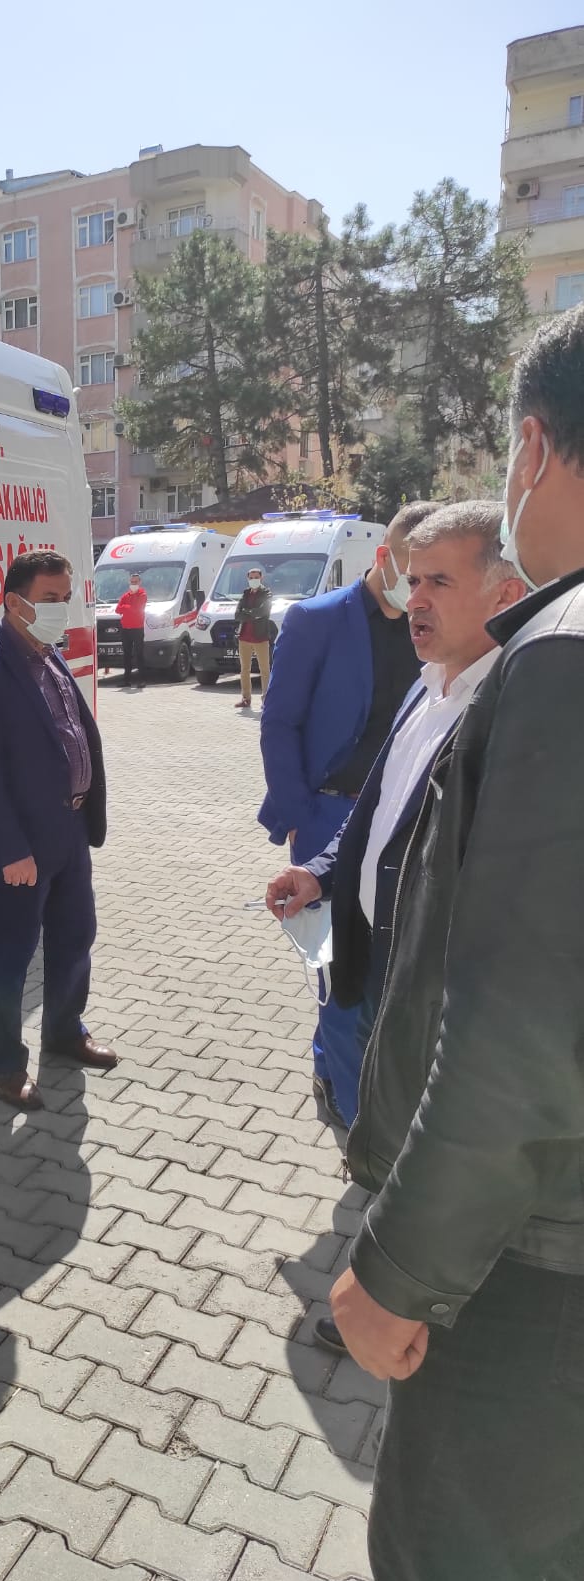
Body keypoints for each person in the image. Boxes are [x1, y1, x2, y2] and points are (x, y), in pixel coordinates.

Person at [329, 305, 584, 1581]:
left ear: (532, 449)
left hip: (527, 1267)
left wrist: (396, 1271)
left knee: (449, 1561)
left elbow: (520, 1035)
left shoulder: (560, 660)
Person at [264, 502, 525, 1353]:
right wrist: (320, 871)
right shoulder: (426, 685)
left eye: (438, 581)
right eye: (412, 580)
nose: (413, 601)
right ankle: (387, 1285)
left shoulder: (511, 708)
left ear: (505, 590)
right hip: (371, 959)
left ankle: (403, 1314)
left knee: (425, 1156)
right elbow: (374, 813)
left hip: (435, 984)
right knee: (381, 1133)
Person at [257, 503, 435, 1126]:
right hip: (329, 816)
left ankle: (346, 1069)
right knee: (339, 969)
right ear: (383, 558)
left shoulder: (433, 623)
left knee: (384, 964)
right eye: (411, 573)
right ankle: (343, 1092)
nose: (419, 591)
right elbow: (279, 723)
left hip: (403, 813)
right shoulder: (317, 619)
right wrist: (300, 815)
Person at [0, 549, 116, 1110]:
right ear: (13, 602)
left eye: (66, 598)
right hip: (18, 846)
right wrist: (11, 850)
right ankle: (3, 1064)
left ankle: (64, 1030)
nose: (60, 609)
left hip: (68, 831)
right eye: (49, 599)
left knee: (75, 936)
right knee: (8, 956)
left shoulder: (48, 653)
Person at [232, 565, 272, 710]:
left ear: (261, 578)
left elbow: (263, 611)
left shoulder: (266, 593)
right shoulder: (245, 594)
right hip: (244, 637)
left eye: (256, 577)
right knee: (244, 670)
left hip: (260, 637)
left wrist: (247, 612)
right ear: (247, 579)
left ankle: (266, 700)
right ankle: (246, 698)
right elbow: (237, 615)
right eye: (251, 578)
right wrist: (252, 613)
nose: (254, 580)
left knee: (264, 670)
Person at [114, 570, 147, 685]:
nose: (133, 584)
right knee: (127, 655)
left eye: (135, 582)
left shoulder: (142, 595)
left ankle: (142, 680)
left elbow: (137, 609)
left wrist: (125, 607)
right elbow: (117, 610)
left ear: (139, 582)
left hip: (137, 629)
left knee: (139, 654)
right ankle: (126, 680)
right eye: (132, 582)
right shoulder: (125, 595)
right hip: (126, 629)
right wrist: (128, 607)